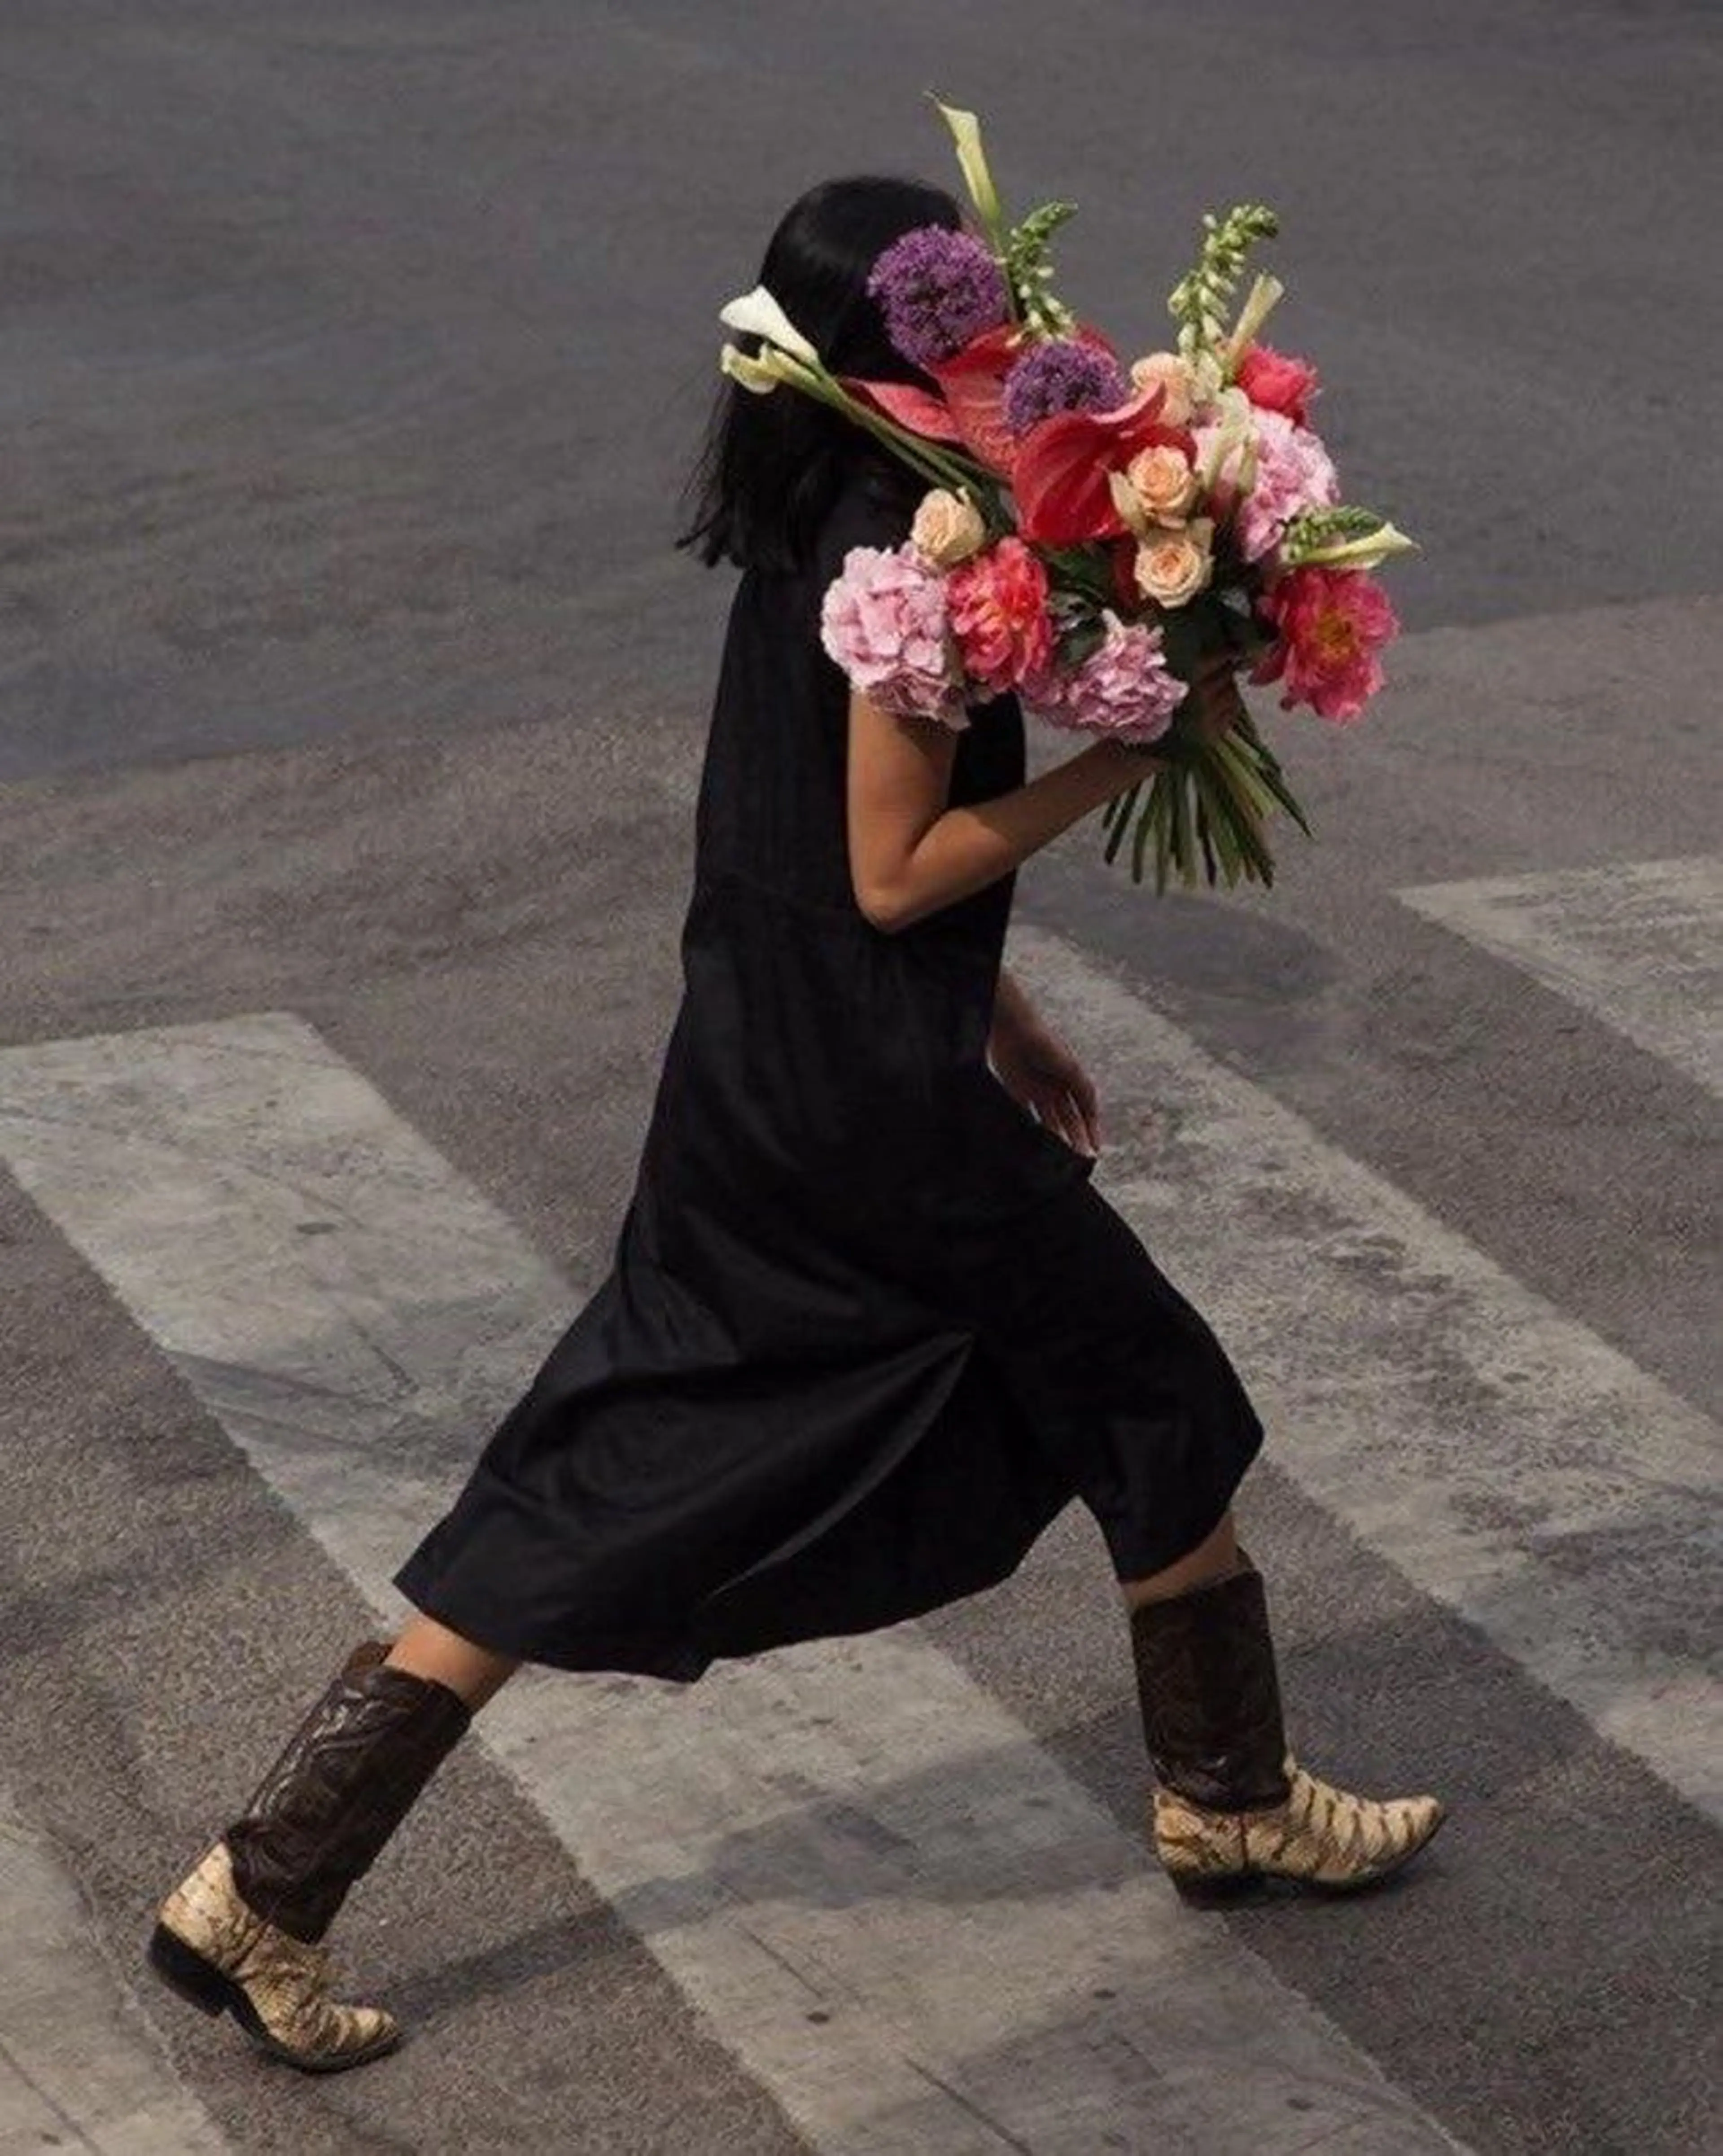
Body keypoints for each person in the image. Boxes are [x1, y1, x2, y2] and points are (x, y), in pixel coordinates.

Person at [146, 173, 1446, 2076]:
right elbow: (897, 867)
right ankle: (1231, 1792)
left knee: (604, 1461)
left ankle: (262, 1879)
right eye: (962, 321)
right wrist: (1128, 753)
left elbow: (799, 856)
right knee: (1153, 1384)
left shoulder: (809, 523)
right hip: (872, 1115)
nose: (995, 340)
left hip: (757, 1073)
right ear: (883, 350)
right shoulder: (903, 551)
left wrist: (1001, 1010)